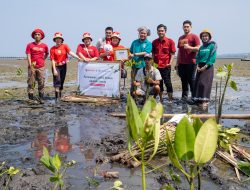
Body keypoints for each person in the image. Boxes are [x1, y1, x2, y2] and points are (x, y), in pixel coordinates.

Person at [50, 32, 81, 100]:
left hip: (63, 66)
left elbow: (70, 53)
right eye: (56, 39)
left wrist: (78, 58)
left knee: (61, 81)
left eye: (59, 39)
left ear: (61, 40)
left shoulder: (65, 46)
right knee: (57, 80)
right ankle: (56, 98)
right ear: (55, 40)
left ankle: (60, 96)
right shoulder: (52, 48)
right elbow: (52, 60)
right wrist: (54, 69)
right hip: (56, 66)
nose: (58, 40)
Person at [175, 20, 200, 101]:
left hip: (191, 63)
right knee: (183, 80)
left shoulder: (194, 36)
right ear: (182, 27)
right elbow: (179, 51)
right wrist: (177, 63)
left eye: (187, 26)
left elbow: (198, 48)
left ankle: (194, 97)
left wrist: (190, 47)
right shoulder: (180, 38)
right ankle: (184, 97)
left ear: (191, 27)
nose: (186, 28)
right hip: (182, 63)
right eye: (184, 27)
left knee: (191, 80)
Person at [192, 29, 217, 108]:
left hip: (208, 67)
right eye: (203, 36)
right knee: (198, 83)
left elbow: (212, 58)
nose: (204, 37)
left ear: (209, 37)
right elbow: (198, 57)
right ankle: (198, 100)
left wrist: (205, 66)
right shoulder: (201, 47)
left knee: (204, 84)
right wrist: (197, 67)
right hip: (200, 66)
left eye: (206, 36)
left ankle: (205, 101)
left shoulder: (212, 46)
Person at [152, 24, 176, 103]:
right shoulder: (154, 42)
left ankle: (170, 99)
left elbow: (172, 53)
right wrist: (152, 63)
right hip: (157, 66)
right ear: (157, 32)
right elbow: (152, 54)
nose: (160, 32)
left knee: (168, 82)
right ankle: (161, 99)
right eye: (159, 31)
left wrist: (170, 63)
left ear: (165, 31)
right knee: (159, 83)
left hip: (166, 66)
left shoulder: (170, 41)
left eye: (162, 31)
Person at [25, 28, 49, 100]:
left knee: (41, 83)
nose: (37, 36)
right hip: (32, 67)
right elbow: (28, 55)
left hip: (41, 67)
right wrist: (31, 66)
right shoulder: (29, 45)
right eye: (35, 34)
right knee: (31, 83)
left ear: (41, 36)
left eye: (39, 34)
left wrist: (42, 59)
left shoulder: (44, 46)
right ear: (33, 36)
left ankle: (41, 98)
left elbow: (47, 53)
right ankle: (31, 99)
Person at [130, 26, 152, 93]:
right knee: (133, 82)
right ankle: (133, 96)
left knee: (143, 82)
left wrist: (135, 54)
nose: (142, 34)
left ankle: (145, 97)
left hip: (143, 66)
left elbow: (146, 52)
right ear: (139, 33)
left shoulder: (149, 43)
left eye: (144, 33)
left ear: (147, 34)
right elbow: (130, 51)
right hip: (134, 66)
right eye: (141, 33)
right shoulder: (134, 42)